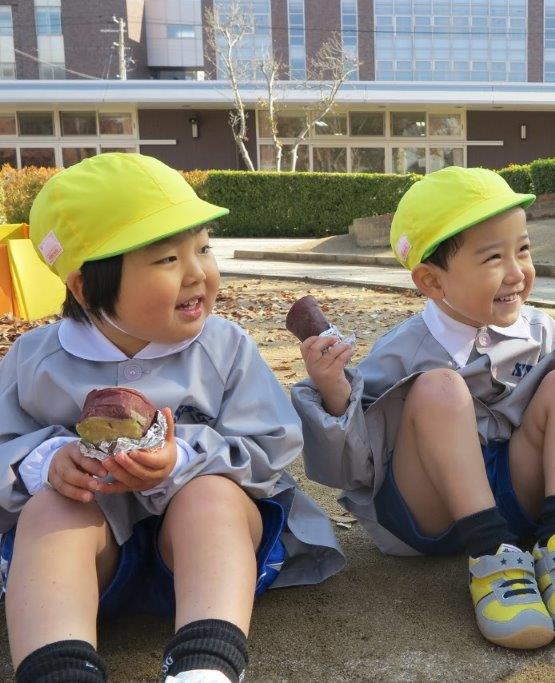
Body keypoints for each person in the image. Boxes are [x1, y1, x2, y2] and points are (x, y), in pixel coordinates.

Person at [0, 153, 344, 683]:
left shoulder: (224, 347)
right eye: (166, 260)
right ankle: (59, 667)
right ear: (86, 288)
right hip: (87, 568)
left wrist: (185, 456)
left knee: (212, 495)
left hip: (204, 558)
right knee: (53, 509)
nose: (197, 273)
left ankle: (204, 665)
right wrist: (47, 461)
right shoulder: (36, 361)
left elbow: (271, 442)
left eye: (203, 248)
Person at [293, 167, 555, 649]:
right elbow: (351, 466)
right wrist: (334, 391)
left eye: (523, 249)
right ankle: (491, 554)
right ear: (432, 281)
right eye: (493, 257)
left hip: (521, 502)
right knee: (439, 388)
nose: (517, 272)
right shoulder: (400, 352)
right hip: (431, 514)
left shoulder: (543, 332)